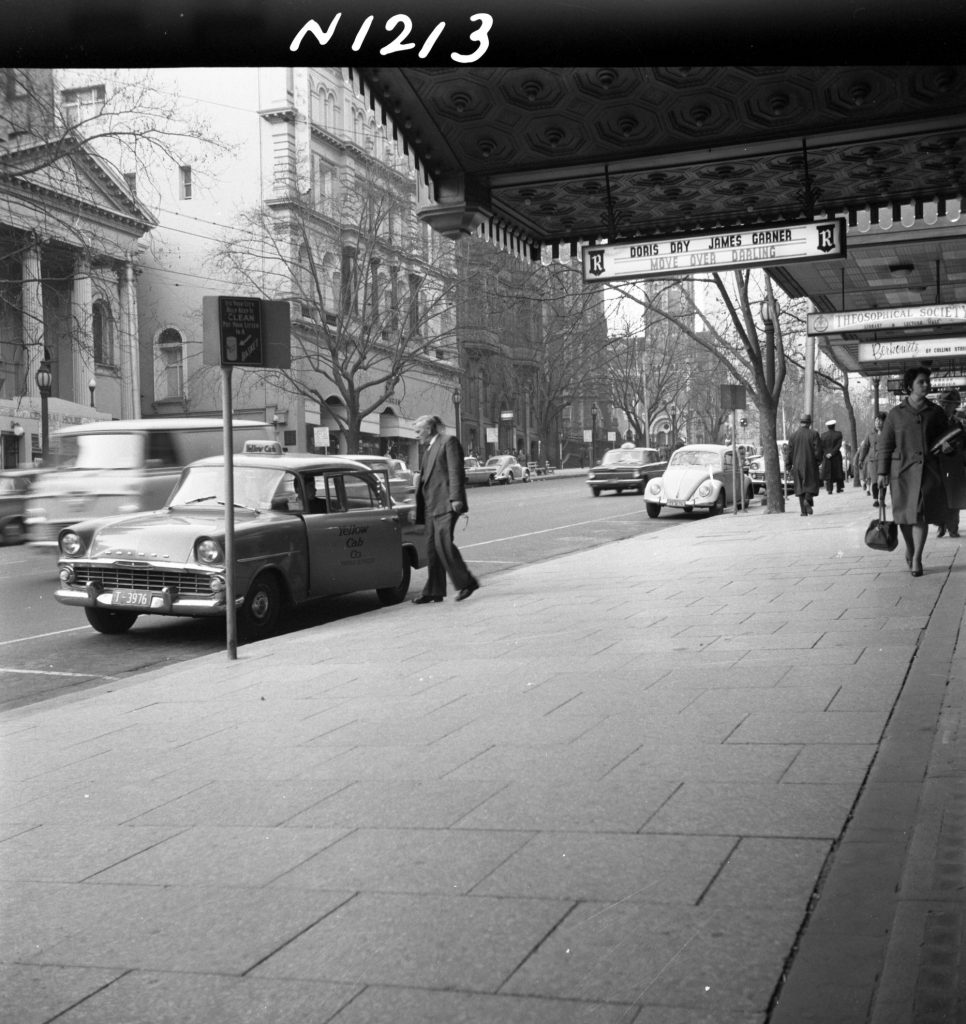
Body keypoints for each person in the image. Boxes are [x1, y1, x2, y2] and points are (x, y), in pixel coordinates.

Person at [876, 366, 951, 577]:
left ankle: (917, 557)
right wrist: (882, 473)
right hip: (901, 472)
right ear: (910, 386)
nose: (926, 384)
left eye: (928, 381)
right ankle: (909, 547)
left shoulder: (936, 412)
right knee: (904, 517)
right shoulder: (895, 415)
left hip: (928, 471)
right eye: (921, 382)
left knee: (921, 515)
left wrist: (948, 448)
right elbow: (885, 445)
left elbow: (947, 439)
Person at [412, 413, 480, 604]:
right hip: (431, 505)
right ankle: (434, 590)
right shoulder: (429, 448)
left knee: (443, 543)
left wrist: (456, 498)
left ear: (428, 429)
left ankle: (467, 582)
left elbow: (455, 470)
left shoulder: (448, 442)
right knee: (432, 548)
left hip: (446, 503)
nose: (416, 435)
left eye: (418, 431)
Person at [936, 388, 966, 538]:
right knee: (940, 497)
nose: (946, 407)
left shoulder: (960, 424)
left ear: (955, 405)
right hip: (937, 465)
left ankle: (953, 526)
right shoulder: (933, 423)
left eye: (949, 404)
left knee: (955, 497)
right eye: (943, 404)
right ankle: (941, 525)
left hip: (955, 465)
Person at [787, 413, 822, 516]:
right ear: (809, 423)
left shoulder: (793, 436)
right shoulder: (814, 434)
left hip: (797, 464)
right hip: (810, 463)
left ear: (800, 422)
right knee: (810, 484)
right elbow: (818, 450)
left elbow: (789, 452)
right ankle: (807, 500)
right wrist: (818, 460)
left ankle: (803, 512)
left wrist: (788, 465)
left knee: (800, 487)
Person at [857, 412, 887, 506]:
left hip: (884, 460)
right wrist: (861, 459)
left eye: (880, 420)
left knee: (883, 481)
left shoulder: (888, 433)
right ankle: (875, 499)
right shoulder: (870, 434)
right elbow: (865, 447)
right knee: (874, 480)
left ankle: (882, 499)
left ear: (884, 422)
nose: (877, 423)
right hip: (873, 461)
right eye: (876, 421)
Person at [819, 419, 845, 493]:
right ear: (834, 426)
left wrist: (826, 453)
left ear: (827, 427)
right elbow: (838, 445)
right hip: (836, 456)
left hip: (827, 457)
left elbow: (821, 447)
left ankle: (829, 489)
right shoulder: (838, 434)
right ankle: (839, 488)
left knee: (828, 473)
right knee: (838, 472)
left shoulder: (823, 435)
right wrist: (832, 453)